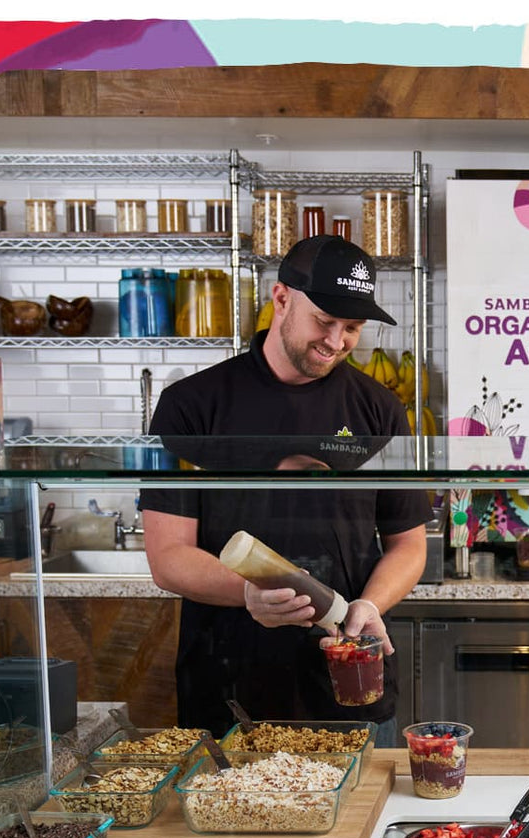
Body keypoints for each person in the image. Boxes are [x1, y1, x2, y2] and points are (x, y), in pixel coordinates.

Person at [140, 234, 430, 743]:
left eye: (353, 328)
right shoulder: (192, 405)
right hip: (229, 686)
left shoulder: (380, 409)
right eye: (325, 321)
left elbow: (408, 544)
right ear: (281, 299)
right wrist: (249, 593)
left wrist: (371, 605)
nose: (337, 341)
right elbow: (168, 557)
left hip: (348, 682)